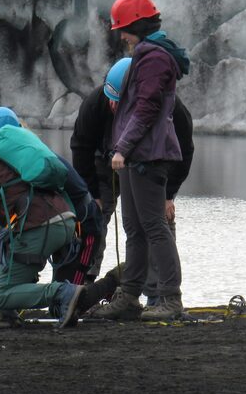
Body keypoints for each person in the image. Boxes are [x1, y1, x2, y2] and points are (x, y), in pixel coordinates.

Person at [86, 0, 191, 322]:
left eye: (124, 29)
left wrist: (123, 148)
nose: (121, 36)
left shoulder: (155, 58)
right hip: (136, 156)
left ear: (138, 26)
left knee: (154, 227)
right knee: (134, 227)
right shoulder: (147, 54)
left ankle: (169, 299)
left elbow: (146, 107)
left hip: (147, 155)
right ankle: (130, 296)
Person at [0, 112, 97, 329]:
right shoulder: (2, 156)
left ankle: (62, 293)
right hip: (65, 222)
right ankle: (3, 312)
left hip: (41, 227)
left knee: (1, 294)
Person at [72, 58, 195, 305]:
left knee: (156, 222)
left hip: (148, 161)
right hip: (104, 161)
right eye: (111, 101)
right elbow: (80, 147)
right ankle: (83, 285)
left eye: (118, 103)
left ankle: (158, 295)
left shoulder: (172, 110)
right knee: (95, 216)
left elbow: (185, 152)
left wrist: (169, 195)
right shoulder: (97, 103)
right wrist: (92, 193)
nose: (112, 106)